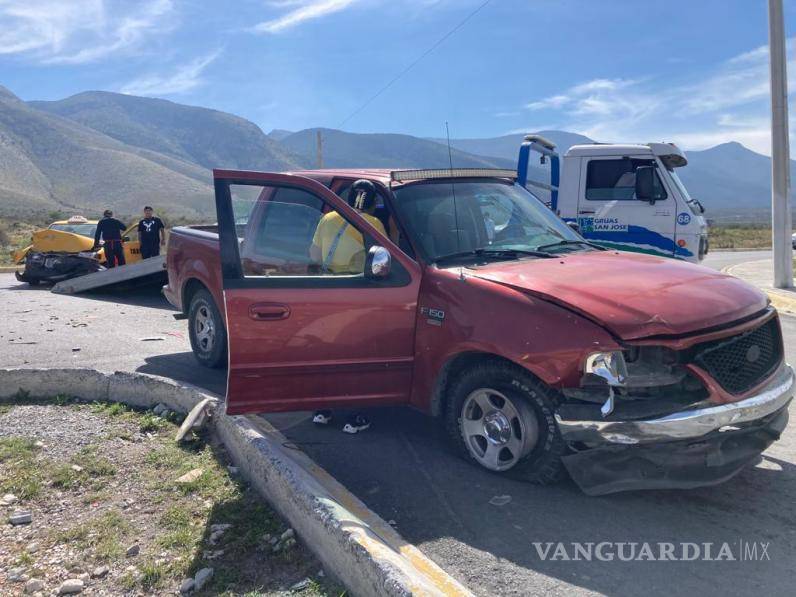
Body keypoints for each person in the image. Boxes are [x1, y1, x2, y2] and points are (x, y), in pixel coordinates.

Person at [310, 179, 387, 433]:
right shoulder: (373, 223)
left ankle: (323, 409)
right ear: (374, 202)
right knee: (357, 356)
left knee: (327, 354)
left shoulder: (328, 218)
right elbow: (389, 255)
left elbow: (313, 255)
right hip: (356, 293)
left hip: (326, 291)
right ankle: (356, 416)